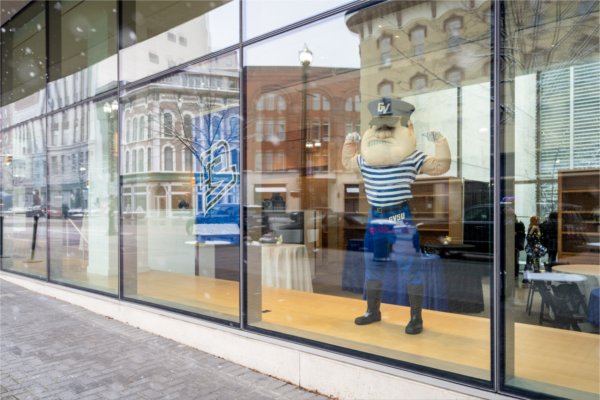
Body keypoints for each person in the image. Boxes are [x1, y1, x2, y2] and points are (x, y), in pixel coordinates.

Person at [342, 97, 451, 334]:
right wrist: (350, 144)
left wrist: (440, 142)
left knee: (410, 266)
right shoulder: (365, 159)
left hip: (398, 216)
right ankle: (372, 311)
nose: (382, 133)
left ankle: (416, 318)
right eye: (379, 127)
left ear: (407, 127)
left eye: (389, 127)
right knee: (373, 263)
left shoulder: (411, 157)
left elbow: (440, 167)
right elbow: (348, 164)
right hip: (376, 217)